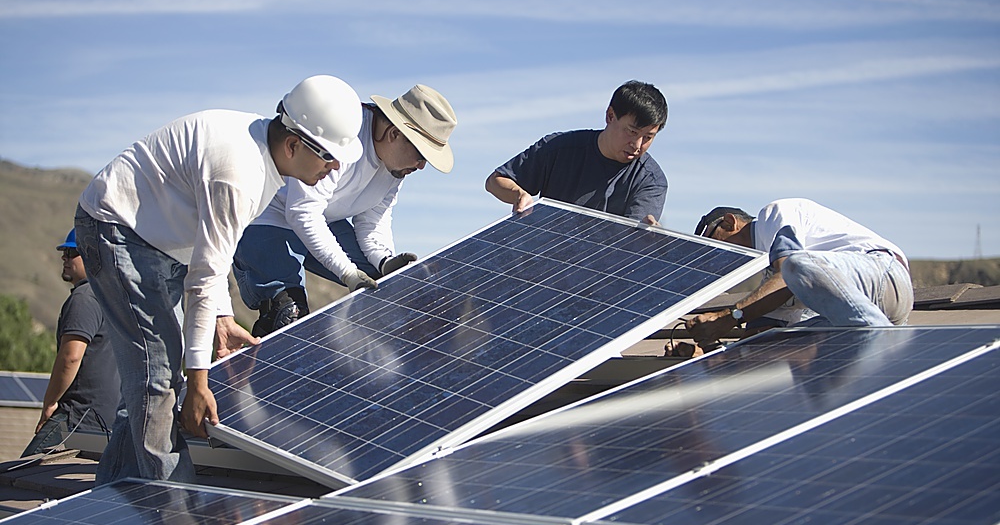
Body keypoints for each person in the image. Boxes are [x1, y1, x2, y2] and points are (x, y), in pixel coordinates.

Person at [74, 75, 364, 485]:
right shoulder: (239, 172)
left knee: (148, 382)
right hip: (116, 231)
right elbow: (205, 277)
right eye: (329, 157)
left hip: (161, 244)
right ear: (295, 144)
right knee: (159, 382)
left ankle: (116, 500)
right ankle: (176, 522)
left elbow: (214, 253)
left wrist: (223, 320)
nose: (334, 168)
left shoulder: (264, 161)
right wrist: (199, 382)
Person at [233, 84, 458, 336]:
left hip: (323, 221)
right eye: (421, 154)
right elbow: (302, 212)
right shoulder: (343, 130)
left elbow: (373, 222)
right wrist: (348, 272)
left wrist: (384, 262)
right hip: (269, 216)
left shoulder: (395, 166)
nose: (421, 166)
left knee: (388, 284)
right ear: (394, 134)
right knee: (287, 315)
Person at [685, 198, 914, 349]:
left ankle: (878, 339)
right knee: (785, 346)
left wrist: (728, 316)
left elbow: (786, 276)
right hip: (866, 310)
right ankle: (878, 343)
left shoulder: (772, 215)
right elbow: (757, 338)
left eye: (712, 243)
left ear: (729, 222)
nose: (716, 256)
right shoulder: (770, 274)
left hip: (884, 274)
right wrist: (706, 351)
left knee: (796, 265)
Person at [485, 80, 668, 222]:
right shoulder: (559, 147)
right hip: (539, 261)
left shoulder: (651, 181)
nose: (637, 145)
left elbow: (633, 240)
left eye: (648, 137)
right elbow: (495, 181)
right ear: (610, 116)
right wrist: (519, 195)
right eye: (632, 132)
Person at [20, 229, 120, 457]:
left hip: (77, 415)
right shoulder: (114, 298)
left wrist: (49, 404)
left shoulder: (84, 298)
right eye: (64, 251)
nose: (64, 257)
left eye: (72, 252)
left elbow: (70, 357)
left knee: (18, 479)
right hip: (107, 421)